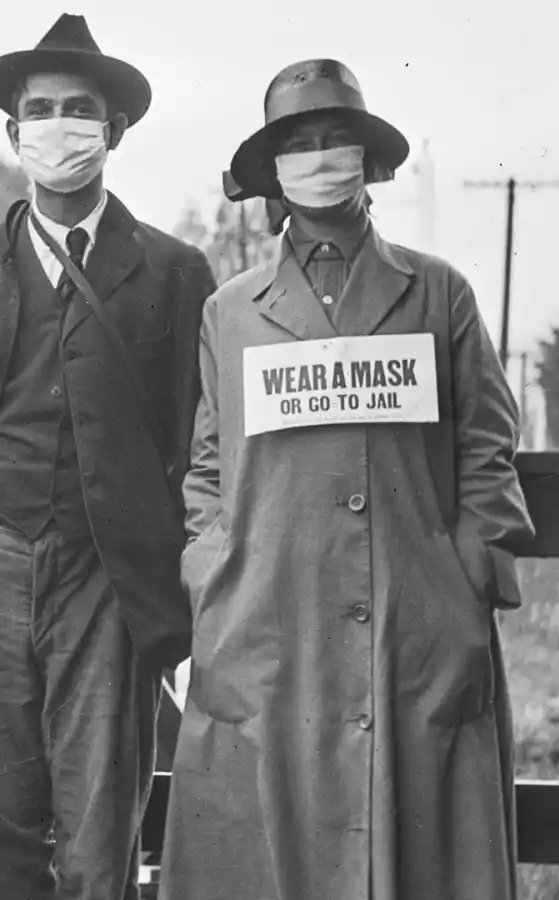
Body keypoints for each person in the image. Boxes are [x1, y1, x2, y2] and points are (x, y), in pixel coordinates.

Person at [160, 59, 534, 900]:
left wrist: (467, 575)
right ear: (273, 173)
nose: (322, 157)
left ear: (368, 161)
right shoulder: (231, 311)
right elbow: (209, 466)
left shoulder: (439, 293)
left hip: (415, 626)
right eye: (300, 143)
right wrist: (211, 571)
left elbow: (487, 449)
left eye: (337, 140)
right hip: (269, 625)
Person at [0, 13, 216, 900]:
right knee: (5, 820)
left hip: (109, 577)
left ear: (113, 130)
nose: (59, 126)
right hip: (1, 562)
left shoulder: (173, 270)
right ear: (13, 131)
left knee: (98, 828)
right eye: (40, 109)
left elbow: (198, 437)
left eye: (78, 108)